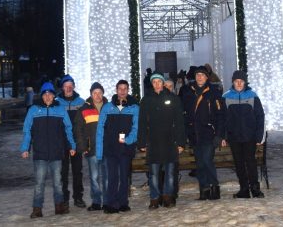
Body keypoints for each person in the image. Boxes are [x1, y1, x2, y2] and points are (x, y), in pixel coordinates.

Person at [21, 82, 77, 218]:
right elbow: (27, 130)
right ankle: (37, 209)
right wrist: (25, 147)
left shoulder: (60, 110)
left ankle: (59, 207)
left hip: (56, 153)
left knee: (58, 183)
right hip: (40, 154)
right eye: (45, 94)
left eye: (50, 94)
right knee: (39, 183)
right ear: (42, 96)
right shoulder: (34, 110)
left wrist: (72, 146)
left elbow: (68, 129)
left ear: (53, 96)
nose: (48, 97)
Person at [138, 72, 186, 209]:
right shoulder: (146, 100)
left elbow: (179, 122)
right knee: (153, 173)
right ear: (152, 84)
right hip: (153, 142)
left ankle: (168, 197)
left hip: (170, 141)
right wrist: (142, 142)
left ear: (163, 83)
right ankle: (154, 198)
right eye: (154, 82)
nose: (157, 84)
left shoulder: (173, 98)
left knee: (170, 172)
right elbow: (142, 123)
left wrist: (181, 142)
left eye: (159, 81)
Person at [182, 65, 225, 200]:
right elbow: (184, 113)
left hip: (208, 133)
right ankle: (204, 189)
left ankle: (214, 187)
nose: (200, 77)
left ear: (207, 77)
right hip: (194, 133)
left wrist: (219, 135)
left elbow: (221, 115)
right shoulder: (188, 91)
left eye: (202, 75)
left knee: (207, 160)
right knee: (200, 163)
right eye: (197, 75)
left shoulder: (214, 92)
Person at [96, 79, 139, 214]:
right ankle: (111, 203)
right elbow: (100, 128)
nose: (122, 91)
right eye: (120, 89)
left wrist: (129, 140)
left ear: (128, 90)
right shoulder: (107, 107)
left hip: (126, 149)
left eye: (125, 88)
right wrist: (99, 150)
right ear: (116, 90)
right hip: (111, 149)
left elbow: (136, 127)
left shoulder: (134, 107)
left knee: (124, 177)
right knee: (112, 176)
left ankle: (123, 202)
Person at [222, 70, 265, 198]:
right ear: (233, 82)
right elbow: (223, 118)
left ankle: (255, 188)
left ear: (245, 82)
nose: (239, 83)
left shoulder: (252, 96)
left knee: (251, 163)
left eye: (241, 81)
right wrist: (224, 136)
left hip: (249, 136)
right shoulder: (226, 97)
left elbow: (260, 116)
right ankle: (244, 189)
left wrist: (259, 136)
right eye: (236, 81)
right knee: (239, 163)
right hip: (234, 137)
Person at [75, 82, 108, 211]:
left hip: (106, 149)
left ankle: (107, 201)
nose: (97, 95)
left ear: (103, 93)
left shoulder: (109, 107)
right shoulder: (84, 109)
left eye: (99, 92)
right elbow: (78, 129)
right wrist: (83, 147)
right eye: (95, 93)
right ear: (91, 94)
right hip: (92, 148)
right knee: (94, 177)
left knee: (107, 177)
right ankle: (96, 201)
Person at [56, 74, 86, 208]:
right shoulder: (56, 102)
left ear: (74, 86)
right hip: (62, 142)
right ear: (62, 87)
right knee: (63, 171)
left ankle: (78, 197)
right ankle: (64, 197)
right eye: (65, 86)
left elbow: (85, 123)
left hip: (77, 141)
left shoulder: (81, 102)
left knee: (77, 171)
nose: (68, 88)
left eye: (70, 86)